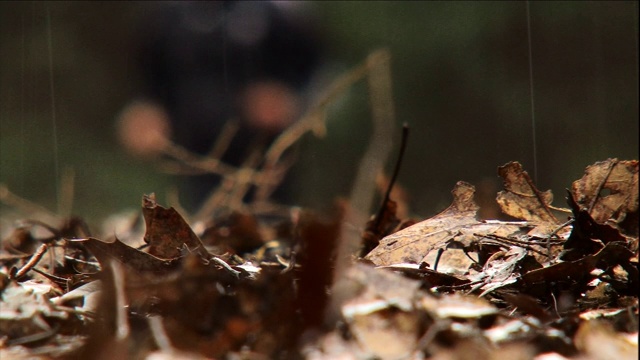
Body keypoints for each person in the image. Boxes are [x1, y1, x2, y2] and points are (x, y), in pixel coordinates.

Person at [117, 1, 324, 212]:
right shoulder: (166, 17)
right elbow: (147, 77)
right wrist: (145, 111)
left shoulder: (278, 13)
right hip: (190, 157)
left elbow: (317, 73)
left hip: (265, 159)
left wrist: (290, 101)